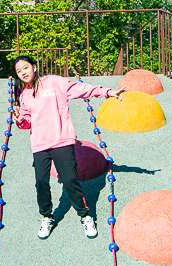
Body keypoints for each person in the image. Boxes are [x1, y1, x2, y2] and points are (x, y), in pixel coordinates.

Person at [11, 56, 124, 239]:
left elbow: (82, 89)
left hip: (61, 141)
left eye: (25, 67)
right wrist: (21, 121)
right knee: (41, 182)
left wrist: (107, 92)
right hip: (40, 144)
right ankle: (47, 216)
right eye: (18, 71)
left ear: (34, 67)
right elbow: (27, 120)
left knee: (70, 180)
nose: (23, 72)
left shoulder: (54, 82)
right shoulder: (24, 94)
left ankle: (85, 215)